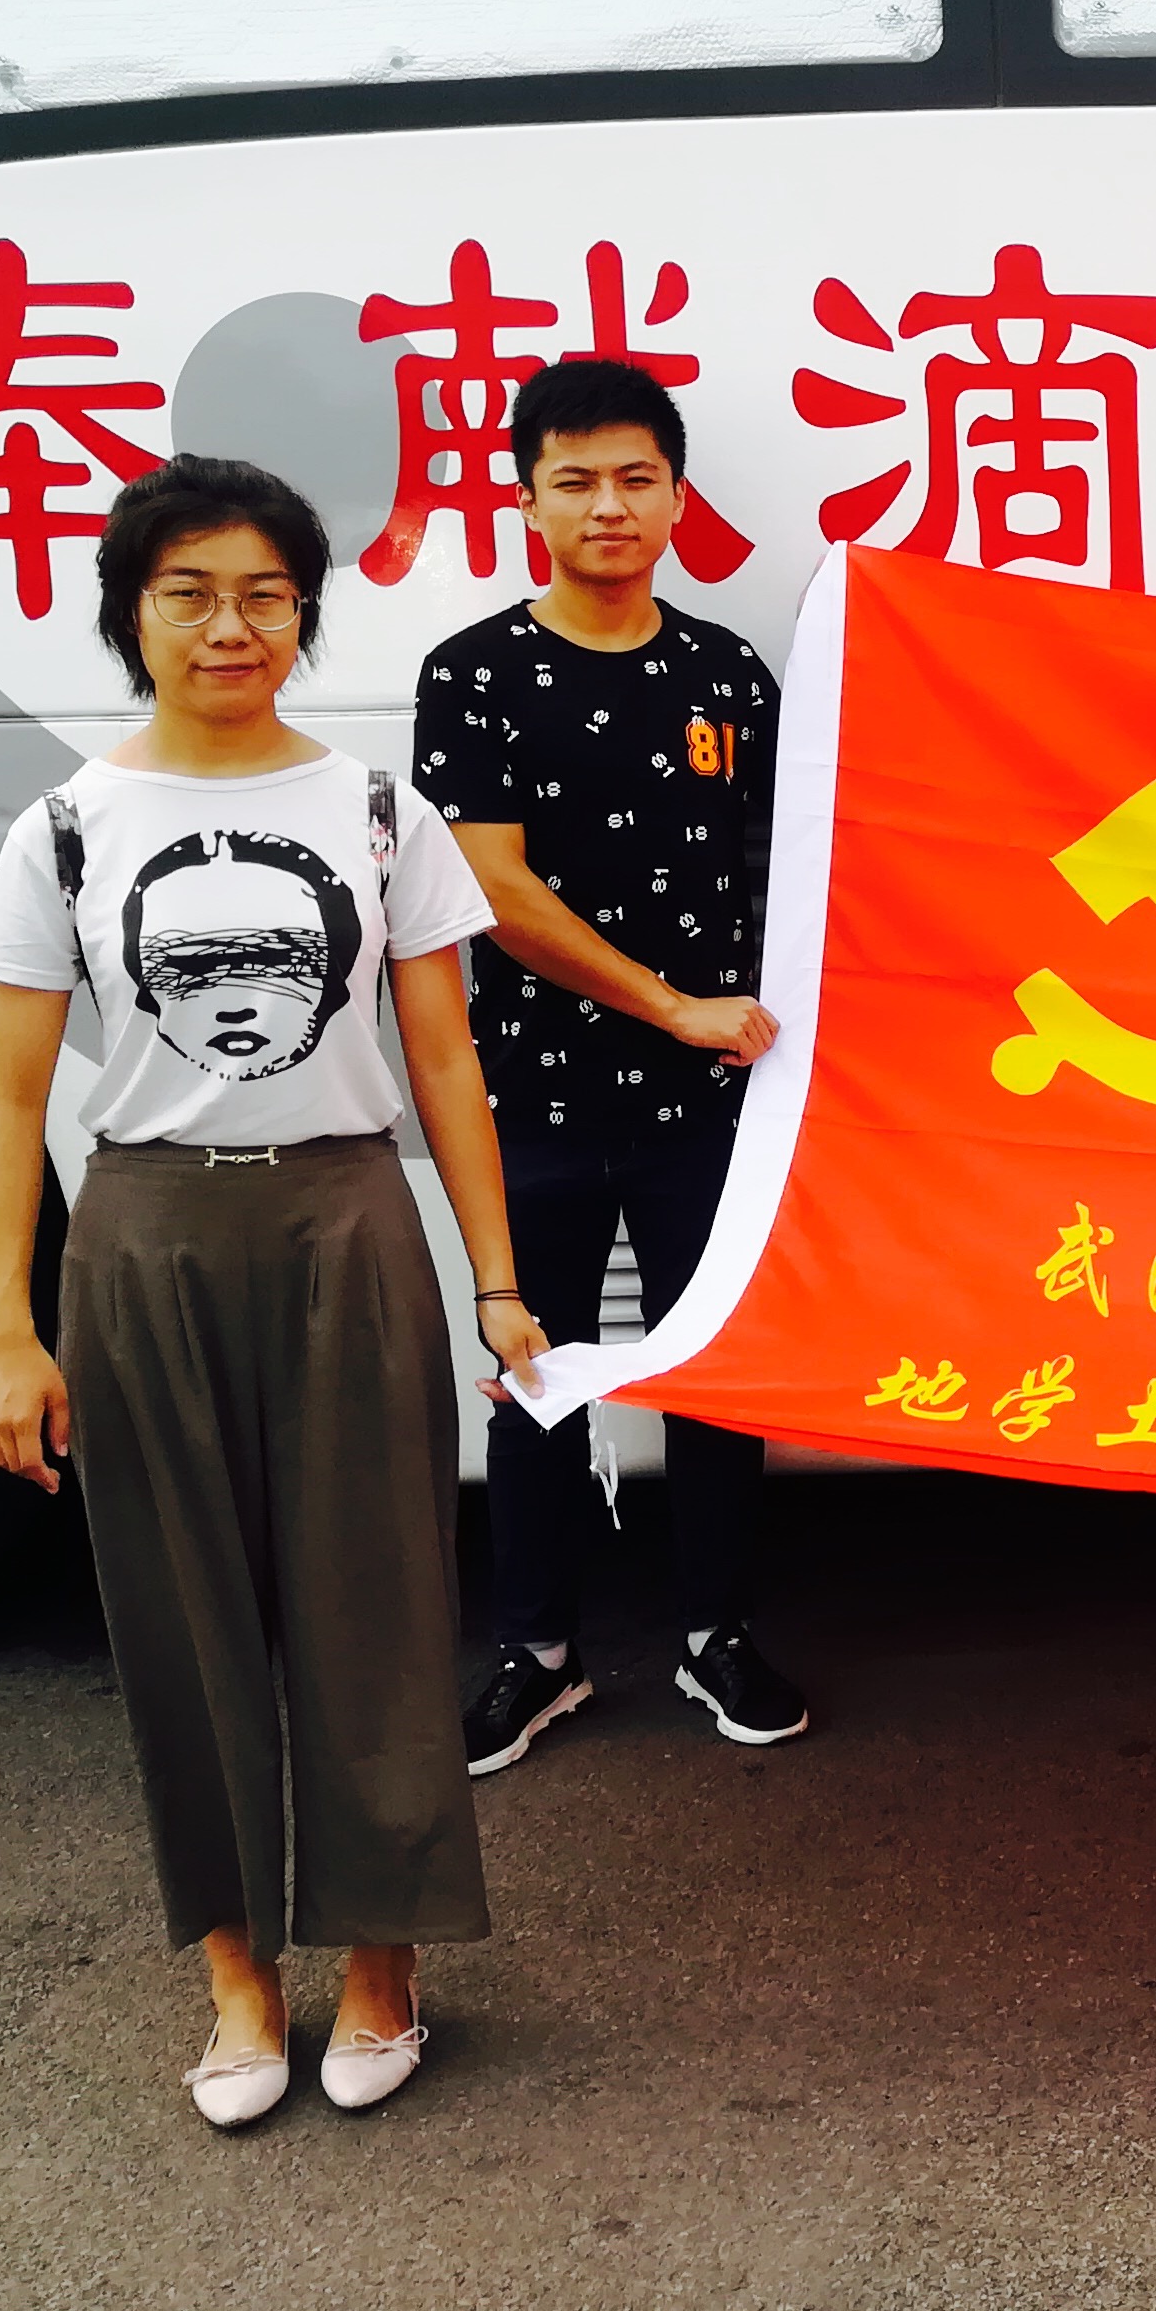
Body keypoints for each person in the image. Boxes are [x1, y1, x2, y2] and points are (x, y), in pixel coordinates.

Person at [0, 457, 540, 2127]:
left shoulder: (379, 813)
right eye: (191, 595)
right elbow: (11, 1095)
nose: (232, 627)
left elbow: (446, 1058)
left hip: (345, 1222)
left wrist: (498, 1284)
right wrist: (7, 1332)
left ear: (303, 614)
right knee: (178, 1614)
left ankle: (381, 1962)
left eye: (266, 596)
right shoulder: (65, 827)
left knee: (379, 1605)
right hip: (141, 1236)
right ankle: (234, 1978)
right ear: (132, 615)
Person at [419, 357, 808, 1772]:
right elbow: (495, 893)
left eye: (636, 477)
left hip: (712, 1110)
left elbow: (791, 873)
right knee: (538, 1370)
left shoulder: (728, 676)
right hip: (533, 1098)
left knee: (714, 1377)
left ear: (677, 498)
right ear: (528, 503)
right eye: (574, 480)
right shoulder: (473, 673)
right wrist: (673, 1006)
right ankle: (537, 1654)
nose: (608, 505)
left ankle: (715, 1633)